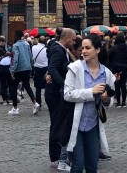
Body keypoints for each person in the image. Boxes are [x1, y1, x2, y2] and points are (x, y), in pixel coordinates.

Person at [64, 35, 113, 173]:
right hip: (76, 124)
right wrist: (91, 92)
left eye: (88, 48)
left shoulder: (106, 73)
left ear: (97, 50)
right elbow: (67, 94)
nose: (84, 51)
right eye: (82, 48)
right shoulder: (74, 68)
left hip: (93, 125)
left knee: (92, 165)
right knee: (78, 165)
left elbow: (109, 102)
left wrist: (106, 99)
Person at [47, 28, 75, 171]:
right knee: (56, 125)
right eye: (73, 39)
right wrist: (64, 84)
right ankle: (55, 158)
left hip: (55, 91)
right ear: (66, 38)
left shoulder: (61, 49)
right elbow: (52, 68)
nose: (74, 42)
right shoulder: (59, 50)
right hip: (55, 93)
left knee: (57, 124)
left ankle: (57, 156)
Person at [9, 32, 36, 114]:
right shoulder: (27, 44)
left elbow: (15, 59)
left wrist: (12, 70)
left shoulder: (15, 45)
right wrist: (31, 66)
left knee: (13, 87)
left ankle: (15, 108)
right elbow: (30, 56)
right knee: (27, 86)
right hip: (27, 68)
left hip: (19, 69)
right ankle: (35, 102)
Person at [108, 34, 127, 108]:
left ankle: (118, 102)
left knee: (117, 85)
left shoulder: (114, 48)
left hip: (116, 67)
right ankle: (124, 102)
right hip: (124, 67)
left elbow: (110, 57)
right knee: (123, 84)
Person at [32, 34, 50, 106]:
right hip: (45, 68)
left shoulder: (33, 47)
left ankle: (38, 102)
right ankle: (48, 101)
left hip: (37, 68)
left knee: (38, 87)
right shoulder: (46, 49)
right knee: (47, 86)